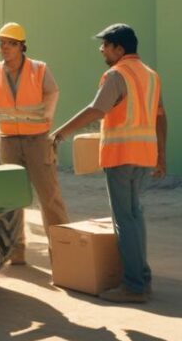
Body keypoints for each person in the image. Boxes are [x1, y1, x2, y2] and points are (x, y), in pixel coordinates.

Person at [50, 23, 167, 304]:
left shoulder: (116, 75)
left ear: (119, 48)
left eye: (105, 45)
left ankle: (134, 286)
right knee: (135, 217)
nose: (101, 49)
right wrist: (161, 155)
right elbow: (161, 117)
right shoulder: (151, 76)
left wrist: (61, 132)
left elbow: (96, 110)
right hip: (145, 155)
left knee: (124, 221)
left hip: (121, 156)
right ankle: (143, 279)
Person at [0, 22, 70, 265]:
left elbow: (52, 91)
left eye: (10, 43)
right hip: (7, 141)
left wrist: (48, 113)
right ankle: (15, 250)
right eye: (2, 43)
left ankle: (63, 253)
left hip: (37, 140)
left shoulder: (39, 69)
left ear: (22, 46)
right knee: (11, 198)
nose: (5, 48)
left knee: (50, 198)